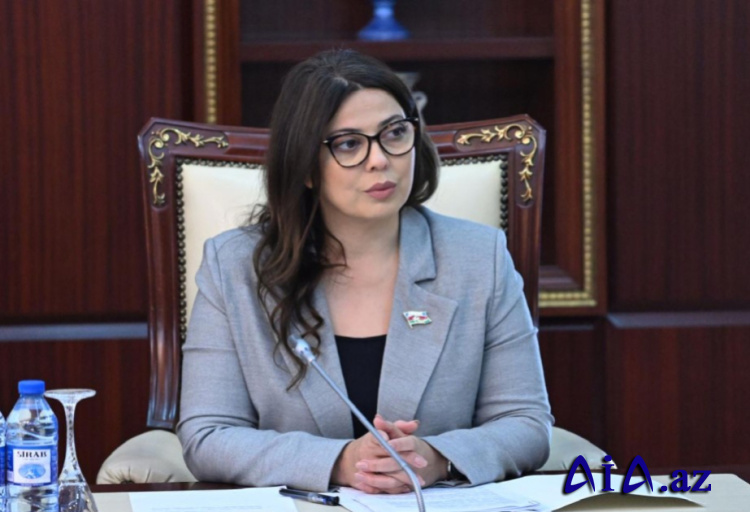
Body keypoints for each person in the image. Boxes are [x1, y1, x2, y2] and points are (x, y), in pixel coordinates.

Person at [177, 49, 553, 494]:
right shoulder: (236, 267)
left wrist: (436, 458)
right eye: (349, 144)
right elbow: (207, 436)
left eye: (394, 133)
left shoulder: (478, 258)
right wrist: (340, 462)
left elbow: (525, 423)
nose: (380, 160)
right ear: (306, 166)